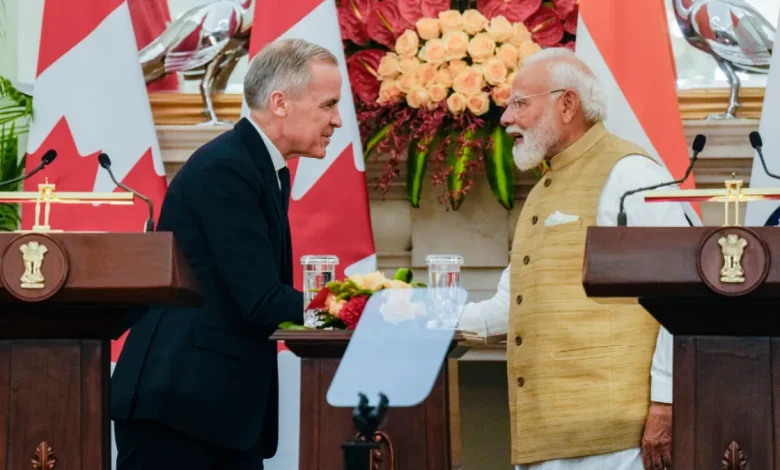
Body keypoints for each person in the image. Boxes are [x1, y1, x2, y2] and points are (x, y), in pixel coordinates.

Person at [110, 38, 343, 469]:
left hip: (211, 410)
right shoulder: (227, 168)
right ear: (280, 103)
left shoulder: (260, 166)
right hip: (180, 411)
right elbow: (260, 300)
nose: (338, 120)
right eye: (328, 105)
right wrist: (353, 306)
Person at [457, 48, 688, 470]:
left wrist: (666, 402)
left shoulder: (631, 174)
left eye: (519, 104)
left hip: (616, 443)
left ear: (567, 104)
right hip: (547, 440)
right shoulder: (543, 190)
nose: (506, 118)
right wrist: (414, 315)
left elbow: (684, 295)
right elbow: (510, 308)